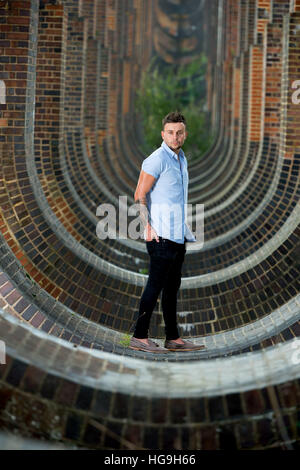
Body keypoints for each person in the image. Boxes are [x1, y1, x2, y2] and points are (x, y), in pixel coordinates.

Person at [129, 111, 205, 353]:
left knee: (172, 288)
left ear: (185, 134)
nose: (175, 136)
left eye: (179, 132)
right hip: (160, 235)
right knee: (154, 285)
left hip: (177, 235)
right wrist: (147, 227)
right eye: (170, 133)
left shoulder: (181, 159)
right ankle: (139, 337)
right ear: (163, 134)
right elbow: (139, 194)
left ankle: (173, 338)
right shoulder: (156, 159)